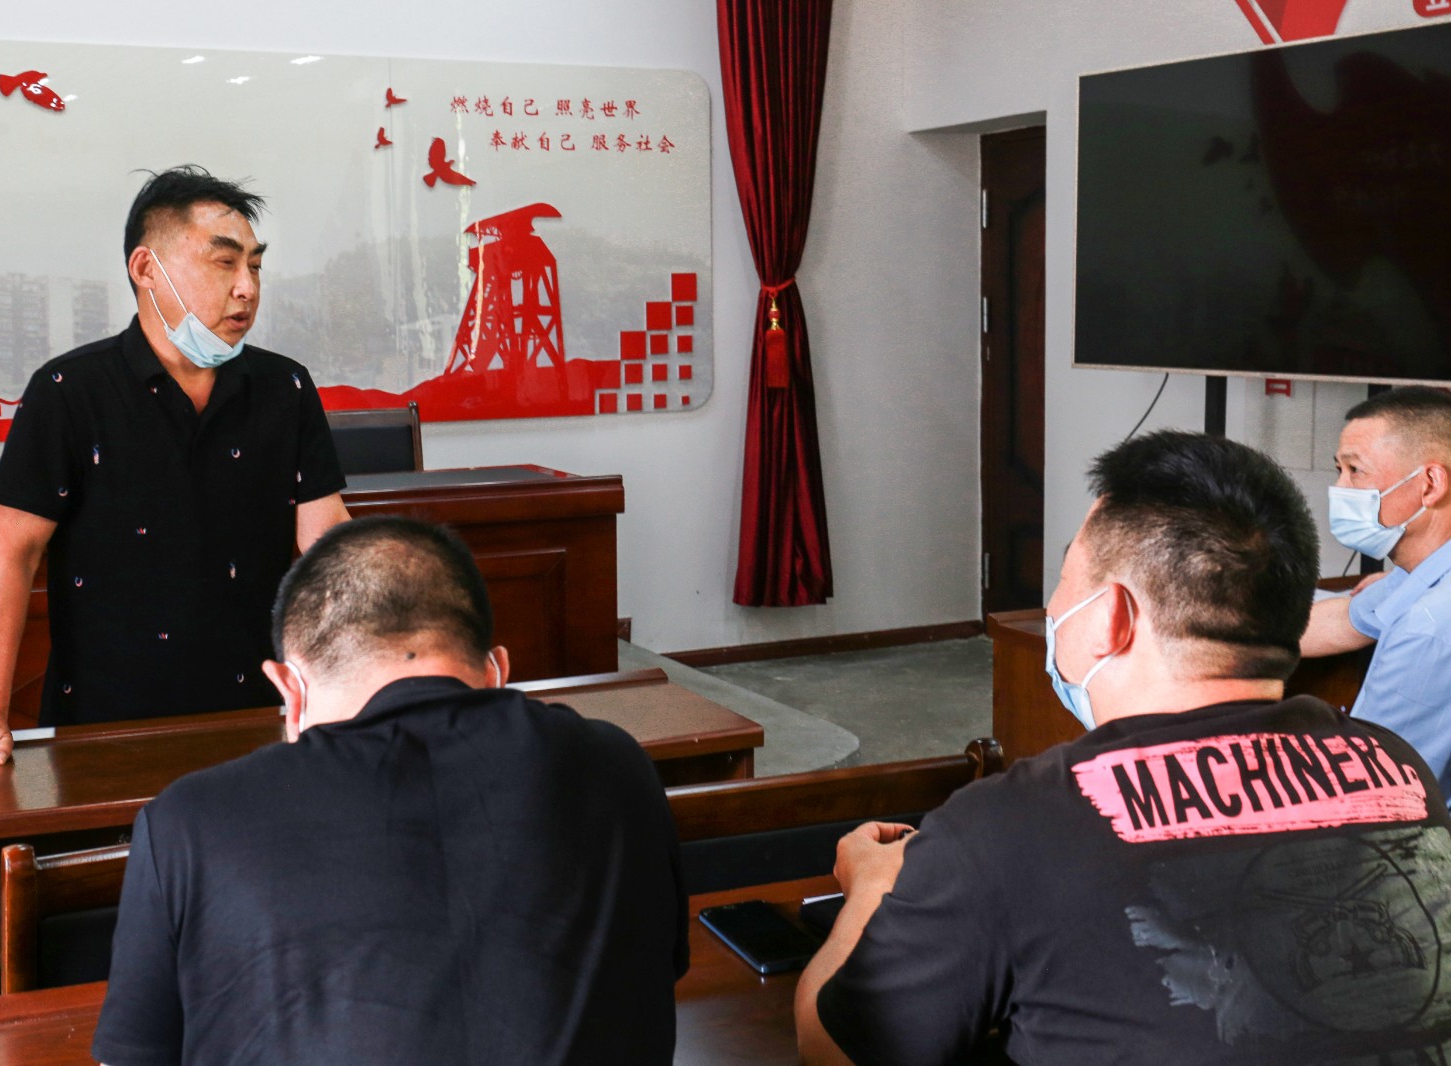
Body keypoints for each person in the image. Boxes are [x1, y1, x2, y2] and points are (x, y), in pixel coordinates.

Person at [796, 431, 1451, 1065]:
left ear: (1111, 616)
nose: (1054, 608)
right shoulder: (1396, 767)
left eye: (1064, 583)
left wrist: (873, 888)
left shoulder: (1005, 824)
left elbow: (835, 1049)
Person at [89, 516, 688, 1065]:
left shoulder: (188, 822)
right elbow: (658, 971)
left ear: (289, 692)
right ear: (497, 672)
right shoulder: (619, 765)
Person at [0, 166, 349, 776]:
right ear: (146, 269)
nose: (247, 288)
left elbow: (331, 547)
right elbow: (11, 554)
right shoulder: (68, 391)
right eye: (225, 263)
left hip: (259, 717)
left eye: (255, 266)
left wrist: (378, 682)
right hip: (104, 727)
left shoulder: (285, 387)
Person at [1300, 386, 1451, 804]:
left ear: (1430, 484)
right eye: (1339, 469)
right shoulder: (1416, 574)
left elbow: (1365, 790)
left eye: (1355, 470)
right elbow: (1338, 621)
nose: (1340, 487)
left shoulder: (1427, 628)